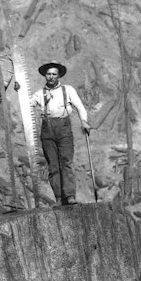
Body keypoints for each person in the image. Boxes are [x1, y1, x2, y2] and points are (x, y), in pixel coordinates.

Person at [30, 61, 91, 205]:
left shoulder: (67, 90)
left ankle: (70, 195)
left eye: (54, 74)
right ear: (45, 75)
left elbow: (80, 107)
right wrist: (18, 89)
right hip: (47, 129)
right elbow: (27, 104)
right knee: (53, 164)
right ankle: (58, 197)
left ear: (58, 76)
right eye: (48, 74)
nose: (51, 77)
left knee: (66, 162)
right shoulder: (39, 93)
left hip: (63, 127)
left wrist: (84, 121)